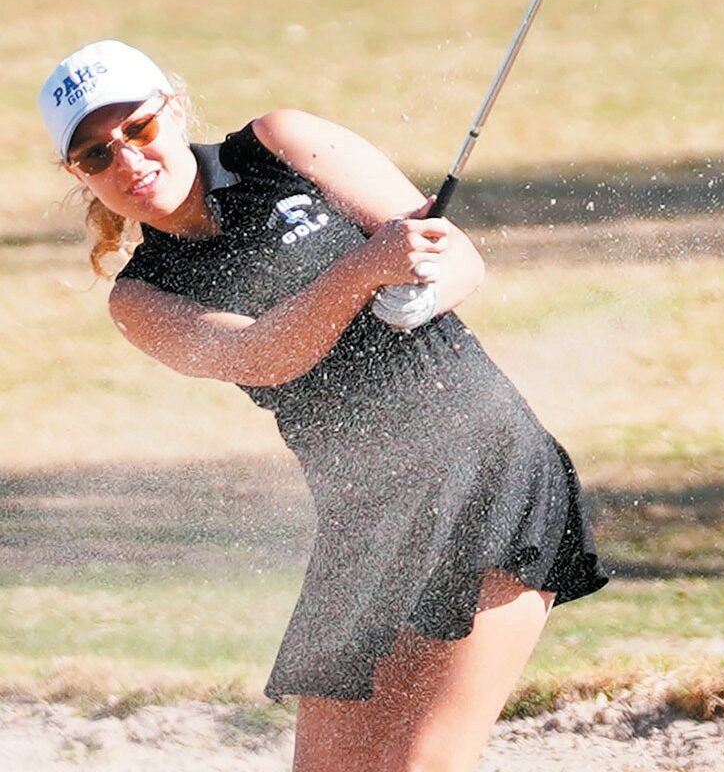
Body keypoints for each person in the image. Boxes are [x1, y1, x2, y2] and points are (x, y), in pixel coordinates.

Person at [39, 39, 610, 772]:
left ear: (174, 110)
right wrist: (364, 270)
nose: (128, 160)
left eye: (139, 129)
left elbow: (456, 252)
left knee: (424, 764)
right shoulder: (143, 296)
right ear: (78, 174)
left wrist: (426, 291)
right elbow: (263, 356)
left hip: (485, 467)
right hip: (363, 514)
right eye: (95, 155)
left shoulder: (281, 143)